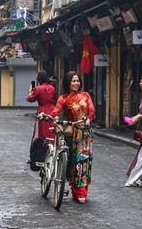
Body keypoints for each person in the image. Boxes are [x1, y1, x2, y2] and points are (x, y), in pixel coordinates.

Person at [51, 71, 95, 203]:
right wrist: (56, 119)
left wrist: (88, 119)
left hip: (85, 134)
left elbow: (91, 110)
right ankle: (74, 189)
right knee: (72, 161)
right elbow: (56, 112)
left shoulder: (85, 95)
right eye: (73, 81)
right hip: (71, 133)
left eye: (77, 81)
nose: (76, 83)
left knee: (83, 161)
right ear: (68, 83)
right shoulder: (63, 98)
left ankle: (81, 192)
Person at [27, 71, 56, 139]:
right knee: (52, 129)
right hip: (52, 110)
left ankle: (43, 145)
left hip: (43, 111)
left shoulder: (38, 88)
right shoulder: (52, 88)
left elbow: (30, 99)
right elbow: (55, 99)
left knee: (43, 130)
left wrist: (30, 91)